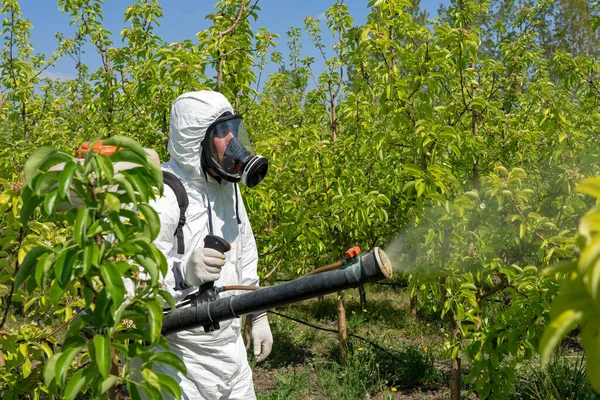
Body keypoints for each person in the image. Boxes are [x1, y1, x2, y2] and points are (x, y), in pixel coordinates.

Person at [149, 90, 273, 399]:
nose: (232, 140)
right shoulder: (163, 195)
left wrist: (258, 315)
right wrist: (183, 274)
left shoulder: (227, 189)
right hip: (180, 359)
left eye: (233, 128)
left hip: (230, 350)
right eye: (220, 132)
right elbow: (133, 280)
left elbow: (244, 249)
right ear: (197, 141)